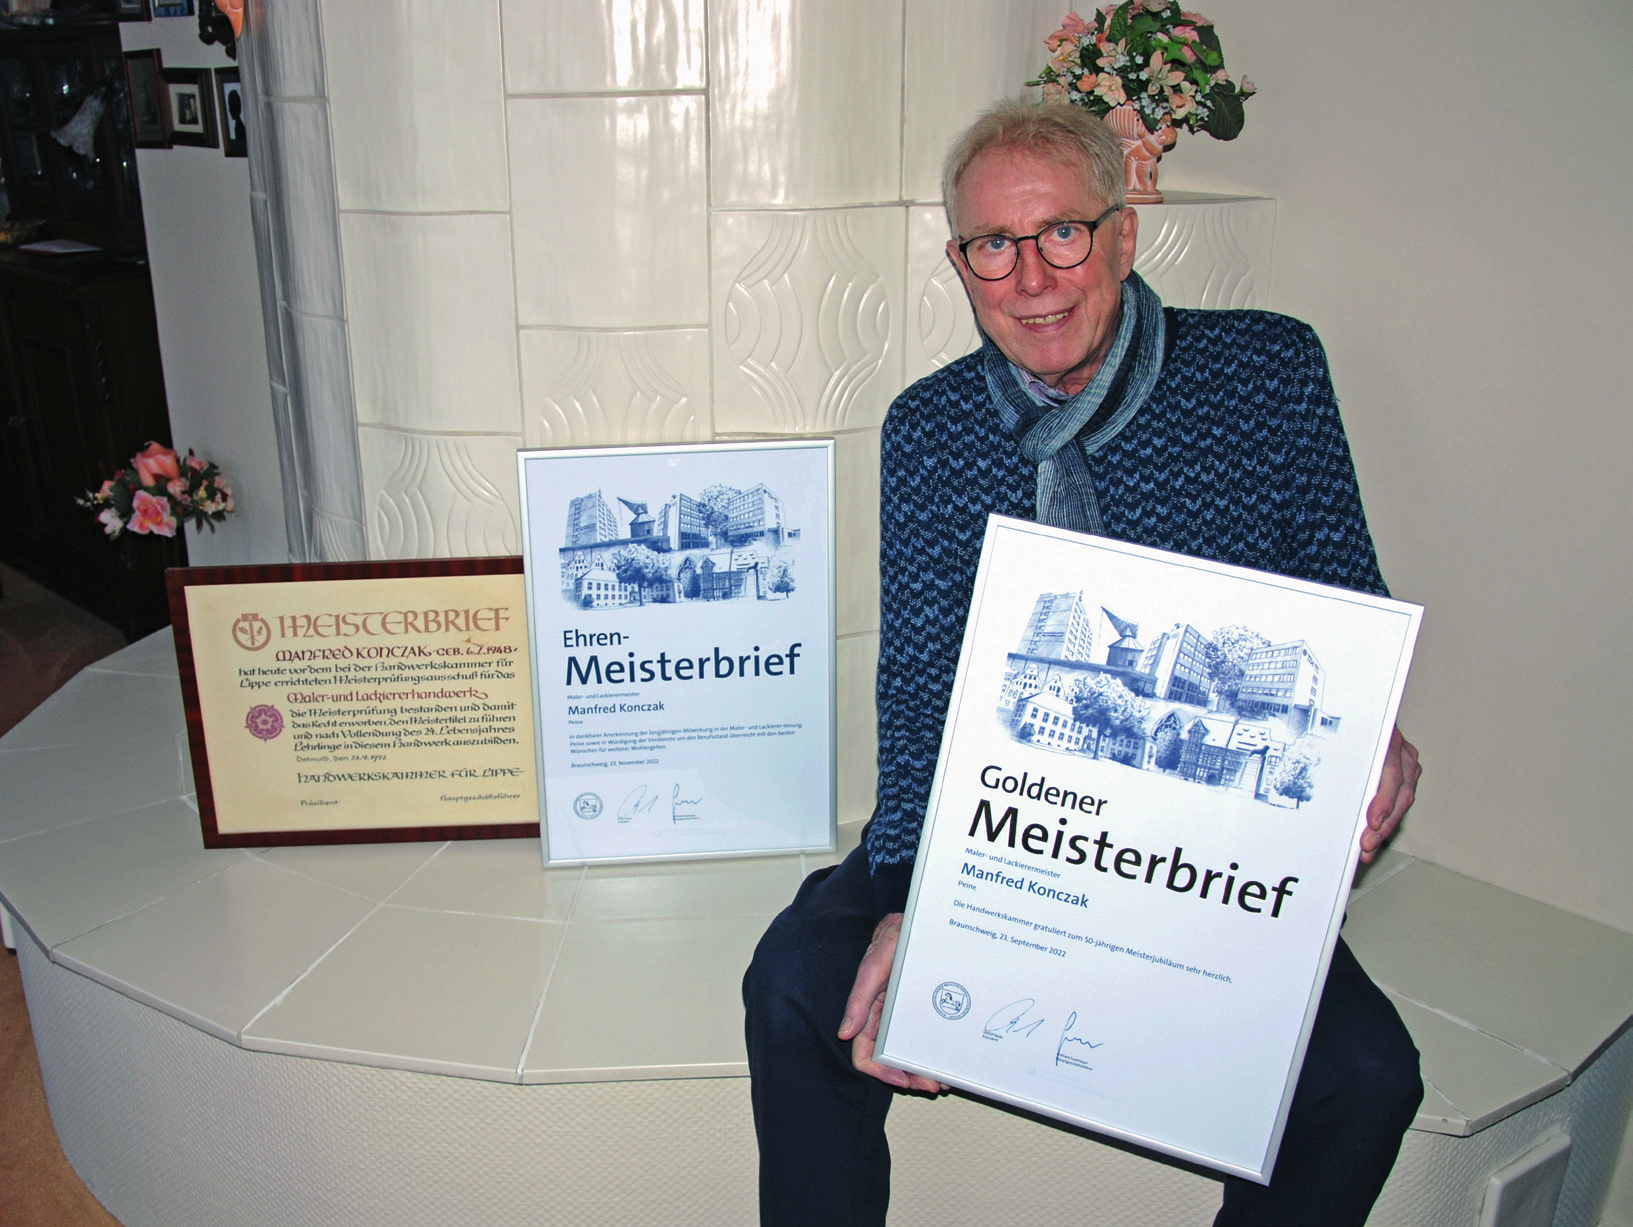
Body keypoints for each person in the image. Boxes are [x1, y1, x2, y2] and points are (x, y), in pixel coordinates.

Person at [743, 99, 1424, 1227]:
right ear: (959, 264)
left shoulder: (1266, 372)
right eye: (990, 248)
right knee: (792, 990)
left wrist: (1373, 733)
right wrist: (925, 902)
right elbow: (917, 694)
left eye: (1060, 232)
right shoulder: (929, 427)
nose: (1031, 277)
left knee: (1366, 1077)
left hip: (1196, 848)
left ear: (1123, 233)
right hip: (999, 822)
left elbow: (1348, 611)